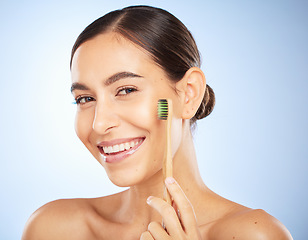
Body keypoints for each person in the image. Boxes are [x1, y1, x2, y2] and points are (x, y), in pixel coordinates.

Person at [22, 5, 293, 240]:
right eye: (84, 99)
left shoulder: (256, 234)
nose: (99, 124)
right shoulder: (52, 228)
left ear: (189, 94)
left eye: (126, 90)